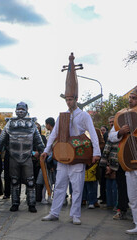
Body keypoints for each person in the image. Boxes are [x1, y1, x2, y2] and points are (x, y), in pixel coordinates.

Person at [41, 53, 101, 225]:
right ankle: (54, 212)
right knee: (59, 186)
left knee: (77, 187)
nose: (68, 102)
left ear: (76, 99)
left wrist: (96, 152)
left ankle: (75, 215)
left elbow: (93, 133)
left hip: (78, 154)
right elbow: (53, 134)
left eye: (71, 99)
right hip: (62, 154)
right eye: (66, 99)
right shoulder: (62, 116)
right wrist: (46, 151)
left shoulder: (84, 116)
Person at [0, 102, 45, 213]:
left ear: (26, 110)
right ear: (16, 110)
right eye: (19, 109)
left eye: (23, 109)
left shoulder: (32, 124)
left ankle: (31, 204)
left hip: (27, 157)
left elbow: (38, 140)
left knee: (30, 182)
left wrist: (43, 151)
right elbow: (2, 138)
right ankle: (15, 203)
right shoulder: (10, 123)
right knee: (14, 181)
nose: (21, 111)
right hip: (13, 156)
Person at [107, 88, 137, 234]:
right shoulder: (121, 115)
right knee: (132, 197)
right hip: (127, 161)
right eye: (130, 97)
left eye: (134, 98)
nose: (130, 100)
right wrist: (120, 132)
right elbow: (111, 137)